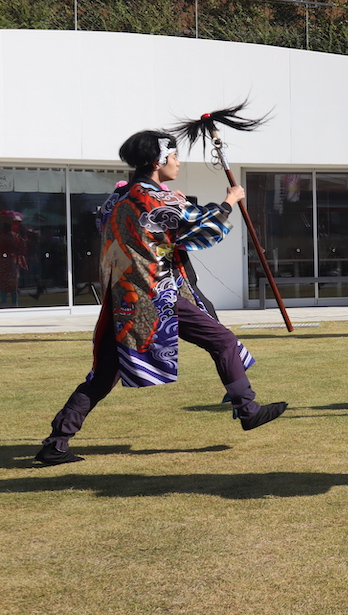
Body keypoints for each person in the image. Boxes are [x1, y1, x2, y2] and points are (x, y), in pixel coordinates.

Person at [34, 131, 286, 466]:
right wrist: (230, 200)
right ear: (157, 161)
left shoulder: (119, 200)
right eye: (174, 157)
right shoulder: (158, 199)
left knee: (105, 372)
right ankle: (248, 409)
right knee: (222, 339)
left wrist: (173, 207)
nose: (178, 162)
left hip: (122, 297)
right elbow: (199, 228)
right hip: (157, 296)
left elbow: (152, 239)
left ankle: (57, 441)